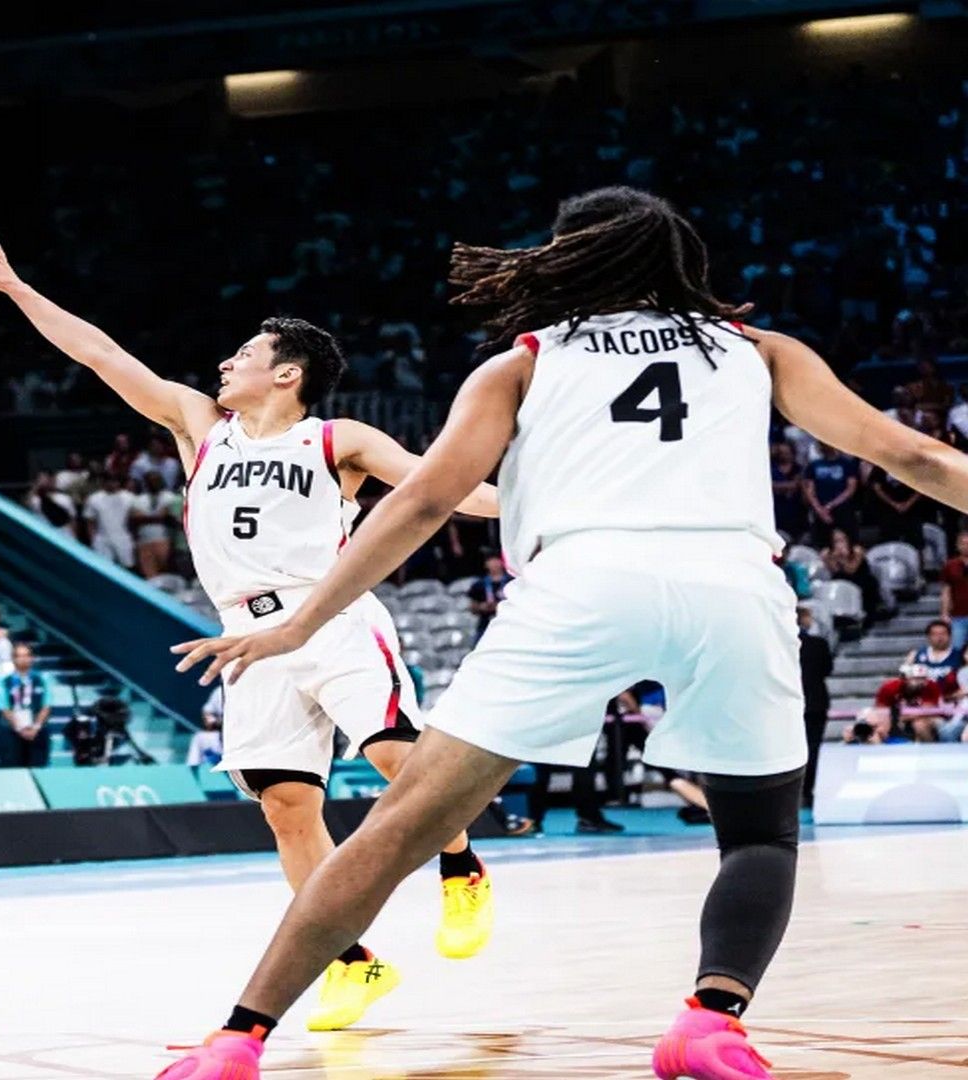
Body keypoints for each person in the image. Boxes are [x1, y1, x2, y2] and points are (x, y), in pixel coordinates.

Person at [161, 185, 968, 1080]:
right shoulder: (758, 349)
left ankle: (238, 1040)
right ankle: (710, 1020)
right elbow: (913, 456)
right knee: (759, 837)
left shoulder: (523, 362)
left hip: (578, 586)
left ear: (567, 257)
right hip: (733, 587)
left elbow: (423, 502)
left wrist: (301, 625)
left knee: (395, 829)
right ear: (678, 260)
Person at [0, 225, 500, 1032]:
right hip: (246, 637)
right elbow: (101, 355)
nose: (224, 363)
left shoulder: (338, 440)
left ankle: (462, 867)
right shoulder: (198, 425)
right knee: (286, 806)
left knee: (394, 755)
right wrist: (19, 290)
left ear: (287, 373)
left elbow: (445, 489)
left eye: (244, 354)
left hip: (330, 614)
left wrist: (537, 510)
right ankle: (352, 961)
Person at [797, 608, 833, 809]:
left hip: (788, 703)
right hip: (815, 702)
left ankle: (792, 792)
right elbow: (827, 669)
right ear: (805, 620)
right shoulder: (819, 644)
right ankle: (808, 791)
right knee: (812, 747)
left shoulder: (778, 645)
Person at [0, 643, 53, 768]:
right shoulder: (3, 680)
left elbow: (47, 705)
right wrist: (20, 728)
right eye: (19, 656)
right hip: (12, 731)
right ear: (13, 659)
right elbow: (4, 707)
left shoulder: (42, 679)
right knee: (12, 769)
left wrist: (35, 727)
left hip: (37, 731)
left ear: (32, 658)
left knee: (38, 768)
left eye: (27, 655)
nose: (23, 659)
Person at [131, 472, 183, 579]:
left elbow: (170, 518)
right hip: (144, 541)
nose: (154, 483)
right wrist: (160, 517)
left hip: (164, 539)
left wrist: (147, 517)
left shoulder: (170, 497)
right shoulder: (139, 499)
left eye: (156, 480)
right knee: (150, 576)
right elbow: (135, 518)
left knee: (165, 573)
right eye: (150, 481)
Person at [466, 554, 512, 640]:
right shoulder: (478, 584)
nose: (494, 564)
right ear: (486, 564)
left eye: (496, 560)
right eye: (491, 561)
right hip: (486, 623)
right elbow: (472, 608)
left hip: (509, 621)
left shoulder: (512, 581)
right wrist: (481, 607)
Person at [939, 531, 968, 651]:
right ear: (957, 546)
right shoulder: (950, 565)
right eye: (963, 543)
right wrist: (944, 613)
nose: (966, 546)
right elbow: (946, 591)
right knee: (957, 649)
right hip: (958, 615)